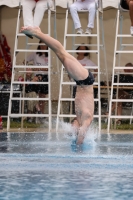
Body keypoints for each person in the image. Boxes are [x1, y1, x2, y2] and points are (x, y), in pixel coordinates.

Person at [21, 26, 95, 145]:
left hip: (82, 80)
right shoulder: (87, 119)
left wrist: (73, 136)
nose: (72, 127)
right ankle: (37, 33)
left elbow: (77, 130)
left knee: (62, 52)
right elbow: (82, 134)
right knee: (61, 52)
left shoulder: (79, 117)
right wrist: (78, 144)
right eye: (73, 127)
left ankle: (38, 32)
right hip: (85, 81)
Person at [25, 40, 49, 116]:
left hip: (45, 76)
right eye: (41, 45)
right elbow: (25, 61)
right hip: (36, 77)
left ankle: (41, 114)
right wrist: (29, 69)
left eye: (44, 45)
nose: (43, 47)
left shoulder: (49, 55)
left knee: (43, 97)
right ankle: (36, 112)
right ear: (39, 45)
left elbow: (48, 68)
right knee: (35, 94)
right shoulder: (35, 53)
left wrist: (38, 68)